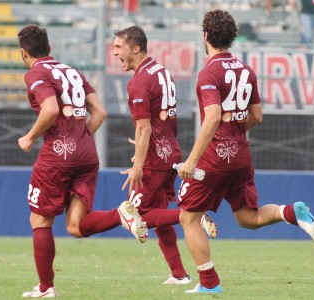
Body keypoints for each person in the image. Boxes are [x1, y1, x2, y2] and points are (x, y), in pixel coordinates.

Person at [177, 9, 314, 294]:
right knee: (248, 218)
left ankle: (209, 284)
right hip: (241, 153)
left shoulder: (208, 72)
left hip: (215, 156)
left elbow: (212, 116)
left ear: (205, 35)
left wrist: (192, 159)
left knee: (188, 217)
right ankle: (292, 211)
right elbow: (256, 116)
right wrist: (234, 134)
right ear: (231, 37)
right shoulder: (246, 70)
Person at [17, 24, 149, 298]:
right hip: (86, 155)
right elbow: (99, 112)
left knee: (40, 219)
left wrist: (30, 136)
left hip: (57, 155)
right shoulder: (72, 71)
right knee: (76, 226)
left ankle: (45, 288)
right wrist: (81, 137)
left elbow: (51, 109)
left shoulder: (35, 74)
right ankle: (120, 214)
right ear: (50, 48)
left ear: (23, 53)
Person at [112, 25, 217, 286]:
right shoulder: (160, 71)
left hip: (154, 159)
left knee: (136, 214)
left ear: (135, 48)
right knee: (157, 217)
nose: (115, 53)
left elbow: (145, 126)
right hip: (171, 151)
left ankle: (194, 214)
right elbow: (160, 120)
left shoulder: (138, 81)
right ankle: (179, 274)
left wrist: (138, 163)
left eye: (118, 47)